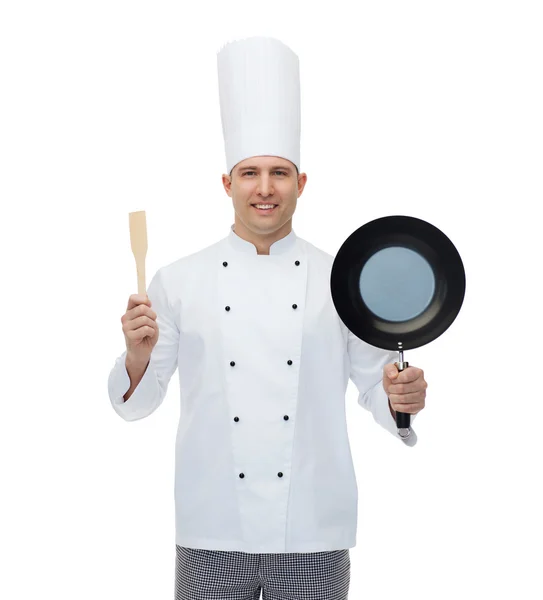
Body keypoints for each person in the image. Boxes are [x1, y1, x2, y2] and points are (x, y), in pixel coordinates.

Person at [108, 37, 427, 600]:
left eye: (279, 173)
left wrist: (401, 399)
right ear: (227, 184)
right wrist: (135, 358)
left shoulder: (342, 279)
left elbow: (376, 387)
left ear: (301, 184)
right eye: (249, 173)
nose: (264, 188)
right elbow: (141, 403)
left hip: (313, 528)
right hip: (211, 528)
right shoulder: (177, 280)